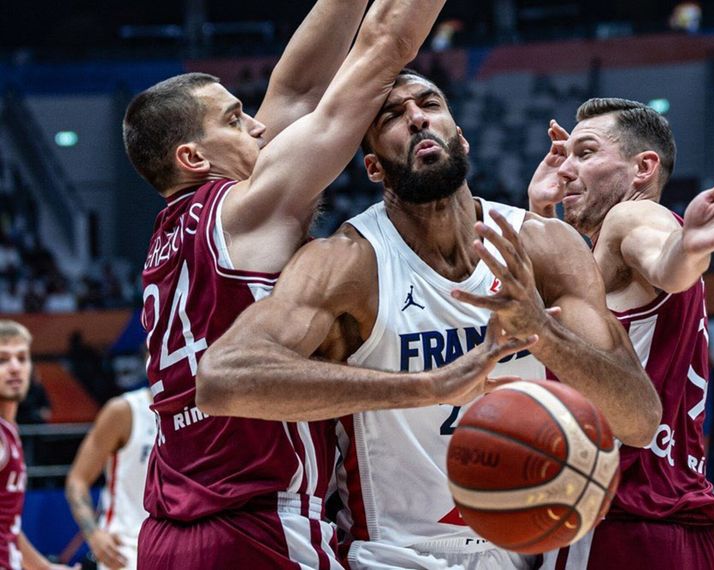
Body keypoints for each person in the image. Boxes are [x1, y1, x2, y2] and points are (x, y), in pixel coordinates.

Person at [197, 69, 661, 569]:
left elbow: (638, 421)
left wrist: (542, 334)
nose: (417, 118)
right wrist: (431, 386)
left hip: (526, 544)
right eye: (392, 115)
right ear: (374, 167)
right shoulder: (349, 263)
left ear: (460, 136)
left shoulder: (543, 245)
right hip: (396, 555)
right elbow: (222, 378)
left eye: (430, 103)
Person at [124, 0, 449, 567]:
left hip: (167, 529)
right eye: (233, 120)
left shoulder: (173, 235)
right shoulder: (250, 210)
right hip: (258, 523)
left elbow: (297, 89)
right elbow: (384, 50)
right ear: (193, 156)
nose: (256, 126)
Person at [527, 98, 714, 569]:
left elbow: (667, 265)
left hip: (619, 519)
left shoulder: (632, 219)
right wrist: (541, 206)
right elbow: (566, 295)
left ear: (643, 168)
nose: (568, 169)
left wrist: (687, 250)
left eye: (586, 152)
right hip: (681, 523)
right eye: (566, 155)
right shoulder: (599, 255)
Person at [0, 320, 79, 570]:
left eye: (22, 359)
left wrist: (46, 568)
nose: (15, 368)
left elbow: (7, 527)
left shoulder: (9, 431)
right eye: (3, 359)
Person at [65, 387, 155, 570]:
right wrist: (94, 535)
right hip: (127, 550)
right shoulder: (125, 410)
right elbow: (77, 479)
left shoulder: (205, 410)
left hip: (185, 545)